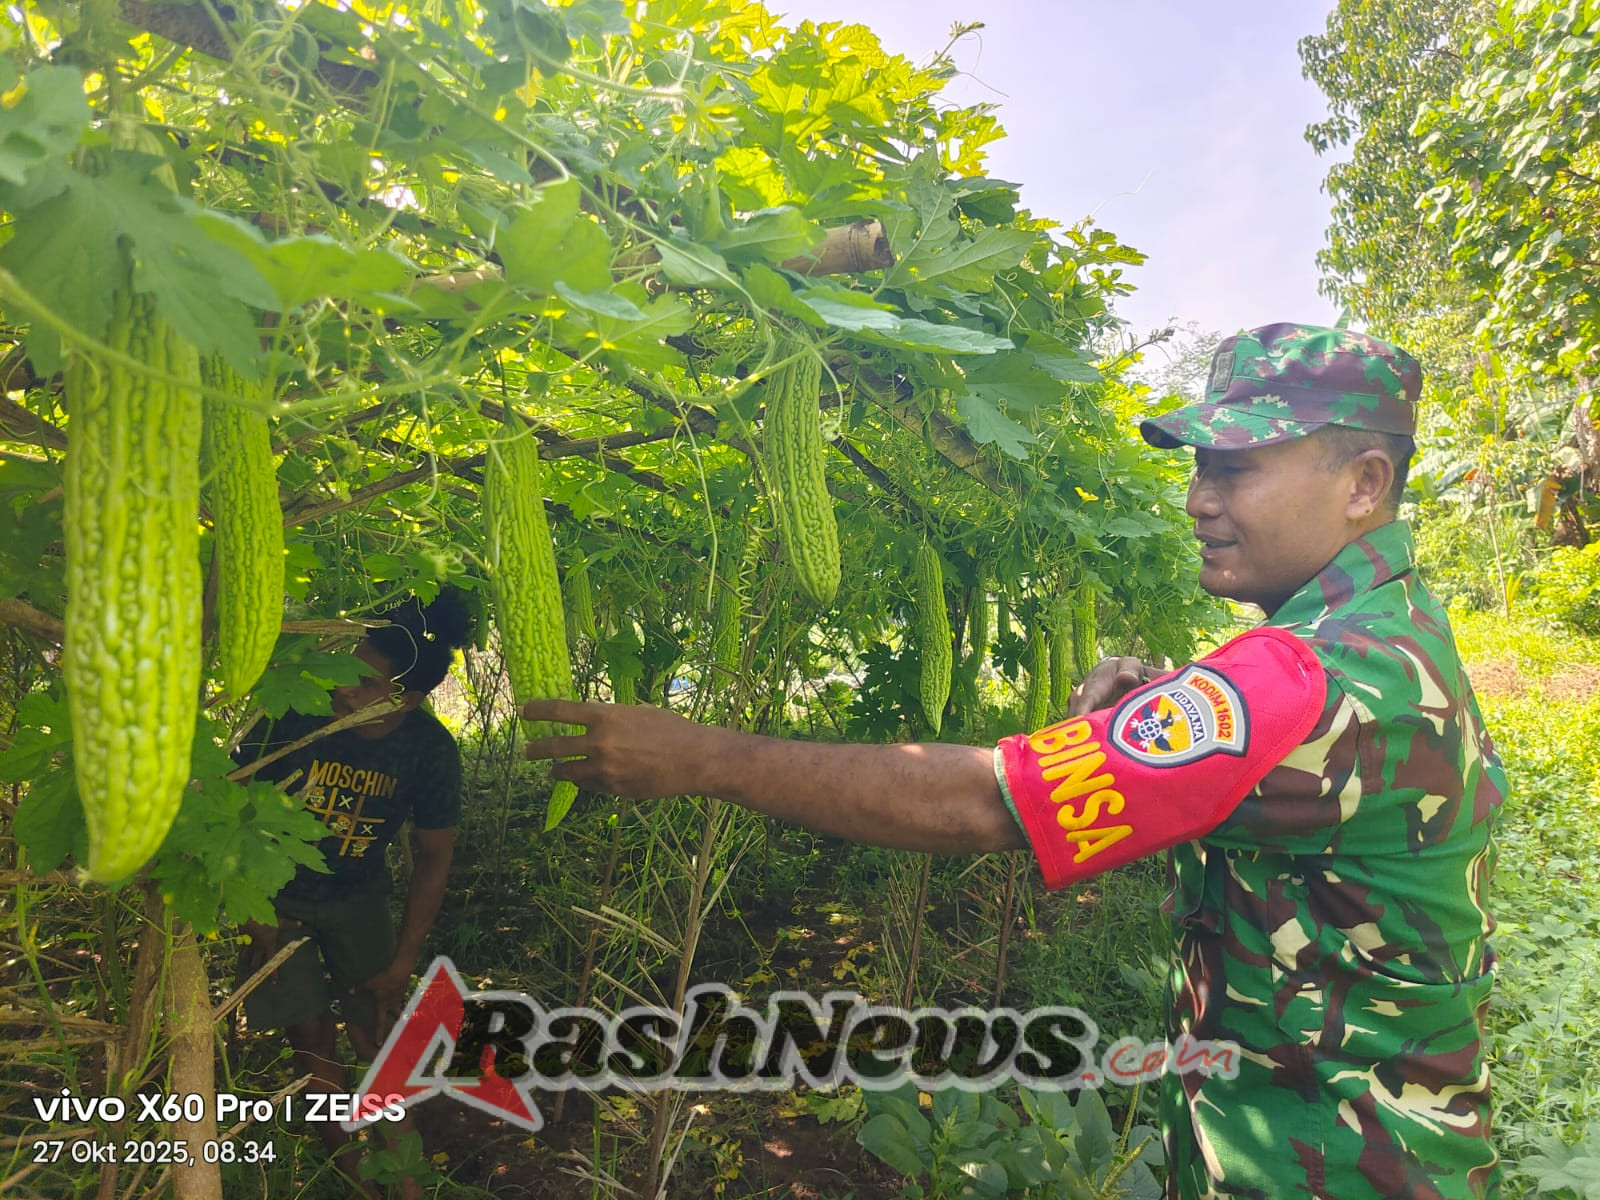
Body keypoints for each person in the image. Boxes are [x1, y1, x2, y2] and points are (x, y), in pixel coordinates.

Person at [521, 324, 1505, 1200]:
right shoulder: (1392, 633)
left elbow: (985, 804)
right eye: (1199, 468)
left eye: (1235, 470)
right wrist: (1163, 709)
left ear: (1363, 483)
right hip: (1371, 1139)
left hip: (1322, 1163)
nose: (1197, 500)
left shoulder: (1305, 673)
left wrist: (705, 755)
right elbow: (1290, 751)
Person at [235, 588, 474, 1197]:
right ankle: (351, 1174)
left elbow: (434, 857)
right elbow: (224, 807)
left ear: (409, 697)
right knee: (312, 1040)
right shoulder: (292, 714)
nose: (344, 688)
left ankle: (404, 1178)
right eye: (348, 670)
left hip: (357, 900)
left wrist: (402, 961)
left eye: (366, 682)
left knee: (377, 1035)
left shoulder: (429, 750)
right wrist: (250, 912)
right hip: (275, 900)